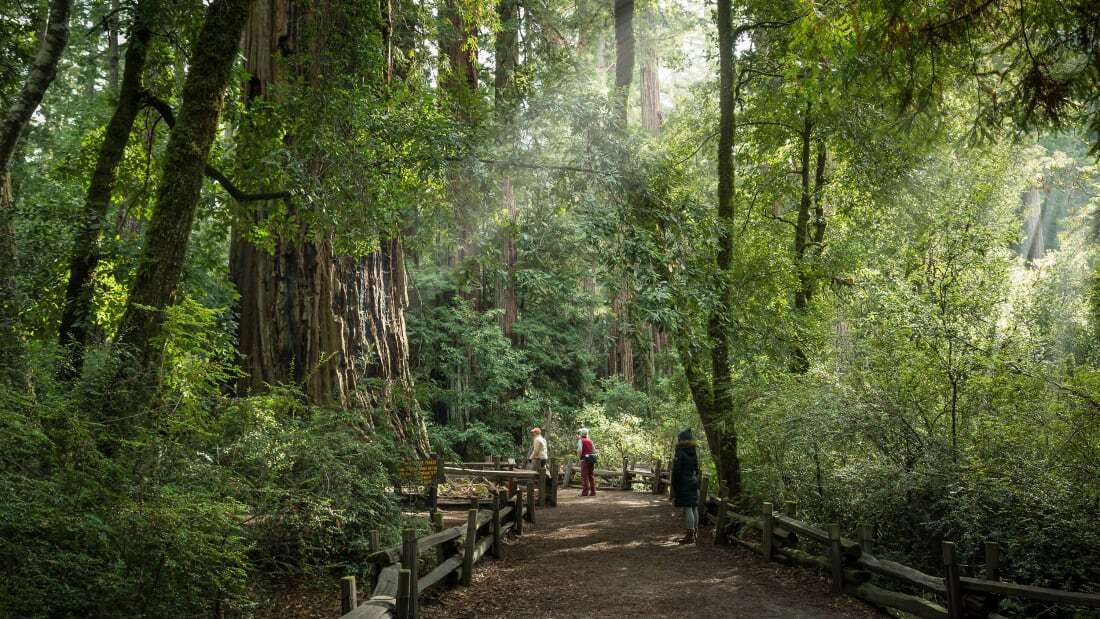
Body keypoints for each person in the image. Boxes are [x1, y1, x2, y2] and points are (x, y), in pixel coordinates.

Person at [671, 428, 701, 544]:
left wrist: (675, 483)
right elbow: (696, 469)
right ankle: (695, 533)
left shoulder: (680, 452)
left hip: (684, 482)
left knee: (688, 507)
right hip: (693, 481)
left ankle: (690, 536)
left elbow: (677, 471)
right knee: (694, 507)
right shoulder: (693, 451)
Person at [577, 427, 596, 497]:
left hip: (585, 459)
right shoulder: (590, 441)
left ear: (581, 434)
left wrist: (579, 458)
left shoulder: (580, 440)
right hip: (591, 458)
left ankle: (585, 492)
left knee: (584, 475)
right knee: (591, 475)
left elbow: (580, 450)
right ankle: (593, 492)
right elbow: (594, 451)